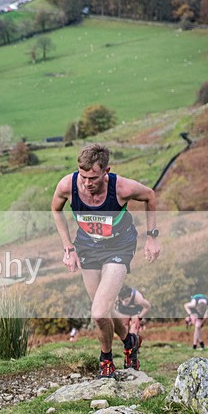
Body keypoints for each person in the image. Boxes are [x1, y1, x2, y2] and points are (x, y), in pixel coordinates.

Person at [51, 143, 160, 378]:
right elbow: (55, 209)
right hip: (88, 247)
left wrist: (151, 237)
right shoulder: (67, 185)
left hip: (118, 246)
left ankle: (106, 360)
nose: (87, 183)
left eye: (93, 177)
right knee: (105, 310)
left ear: (106, 171)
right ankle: (130, 341)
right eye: (83, 176)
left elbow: (150, 196)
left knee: (99, 313)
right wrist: (68, 247)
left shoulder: (121, 187)